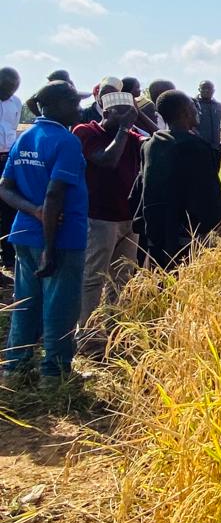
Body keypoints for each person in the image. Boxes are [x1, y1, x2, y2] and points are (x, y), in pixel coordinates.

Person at [0, 81, 88, 384]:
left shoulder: (26, 138)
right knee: (60, 305)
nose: (78, 109)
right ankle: (55, 373)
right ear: (57, 104)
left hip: (24, 235)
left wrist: (31, 211)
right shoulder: (66, 141)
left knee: (26, 302)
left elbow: (5, 188)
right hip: (59, 240)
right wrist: (50, 245)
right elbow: (54, 196)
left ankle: (15, 367)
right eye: (73, 103)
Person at [72, 91, 143, 352]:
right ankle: (87, 338)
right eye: (121, 112)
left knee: (121, 279)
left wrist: (134, 122)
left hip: (127, 218)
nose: (128, 118)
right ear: (105, 112)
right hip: (99, 217)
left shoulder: (134, 139)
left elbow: (157, 138)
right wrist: (124, 128)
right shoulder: (86, 133)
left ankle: (114, 333)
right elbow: (106, 161)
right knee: (93, 278)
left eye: (130, 113)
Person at [138, 91, 221, 269]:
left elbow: (143, 187)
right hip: (187, 236)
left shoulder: (150, 145)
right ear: (185, 111)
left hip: (157, 233)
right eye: (194, 107)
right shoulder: (196, 148)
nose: (198, 112)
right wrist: (220, 226)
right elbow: (208, 194)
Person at [0, 67, 22, 280]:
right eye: (6, 88)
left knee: (8, 209)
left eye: (13, 89)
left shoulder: (16, 103)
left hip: (7, 159)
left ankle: (8, 259)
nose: (9, 93)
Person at [195, 80, 221, 155]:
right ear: (199, 90)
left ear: (213, 91)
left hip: (215, 149)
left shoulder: (218, 106)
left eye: (209, 88)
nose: (206, 91)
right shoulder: (193, 104)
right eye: (204, 88)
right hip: (196, 149)